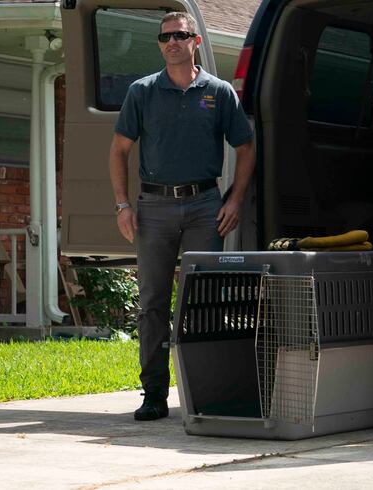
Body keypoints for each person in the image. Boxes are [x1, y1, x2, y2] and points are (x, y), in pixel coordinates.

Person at [109, 11, 256, 421]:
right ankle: (154, 394)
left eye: (180, 35)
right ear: (160, 44)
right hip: (153, 207)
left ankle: (206, 392)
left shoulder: (219, 92)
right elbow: (119, 151)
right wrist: (123, 205)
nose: (171, 42)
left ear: (195, 42)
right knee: (153, 302)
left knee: (204, 299)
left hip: (205, 206)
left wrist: (235, 199)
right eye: (165, 37)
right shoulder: (142, 92)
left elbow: (246, 148)